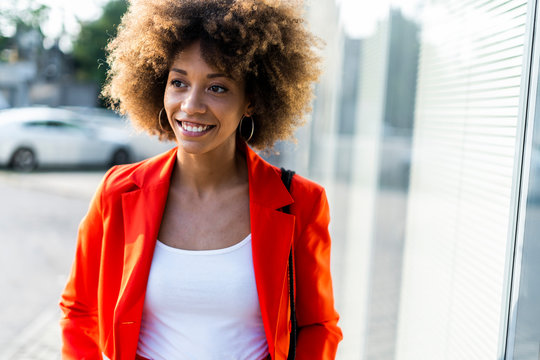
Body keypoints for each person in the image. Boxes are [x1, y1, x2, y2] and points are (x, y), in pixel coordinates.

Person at [59, 0, 342, 359]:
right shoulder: (118, 192)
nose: (191, 105)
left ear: (251, 99)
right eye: (179, 82)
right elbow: (80, 312)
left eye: (217, 87)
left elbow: (318, 327)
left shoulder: (301, 201)